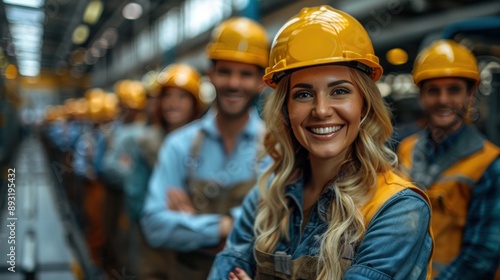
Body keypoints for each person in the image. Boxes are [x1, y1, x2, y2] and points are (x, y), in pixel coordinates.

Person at [209, 5, 433, 280]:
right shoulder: (268, 195)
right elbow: (224, 269)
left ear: (363, 104)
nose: (322, 110)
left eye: (339, 91)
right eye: (303, 94)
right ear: (285, 110)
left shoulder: (398, 210)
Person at [140, 16, 270, 280]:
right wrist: (226, 225)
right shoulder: (179, 145)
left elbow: (276, 229)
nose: (234, 83)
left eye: (245, 74)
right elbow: (155, 226)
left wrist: (191, 227)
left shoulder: (275, 147)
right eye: (225, 72)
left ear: (261, 81)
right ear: (210, 75)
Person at [398, 39, 500, 280]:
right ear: (421, 96)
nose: (443, 100)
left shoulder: (490, 164)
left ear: (470, 94)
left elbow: (481, 257)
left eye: (453, 90)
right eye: (433, 90)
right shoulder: (407, 149)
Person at [125, 63, 203, 279]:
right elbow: (135, 196)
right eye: (168, 96)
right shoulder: (146, 142)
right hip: (154, 242)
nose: (173, 104)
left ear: (195, 104)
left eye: (182, 97)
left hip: (194, 244)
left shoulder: (208, 144)